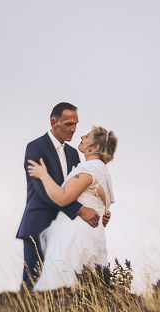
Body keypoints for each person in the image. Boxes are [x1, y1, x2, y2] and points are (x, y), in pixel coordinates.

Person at [16, 102, 102, 290]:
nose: (73, 129)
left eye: (76, 124)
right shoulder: (35, 148)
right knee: (32, 280)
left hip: (64, 228)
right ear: (53, 122)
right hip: (38, 225)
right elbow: (44, 193)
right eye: (68, 124)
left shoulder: (73, 154)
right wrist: (80, 210)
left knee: (60, 281)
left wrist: (99, 210)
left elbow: (77, 191)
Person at [28, 126, 117, 291]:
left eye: (88, 136)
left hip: (75, 235)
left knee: (61, 285)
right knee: (88, 288)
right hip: (93, 235)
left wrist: (43, 175)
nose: (82, 136)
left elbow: (62, 198)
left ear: (95, 148)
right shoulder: (104, 172)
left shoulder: (89, 169)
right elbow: (103, 206)